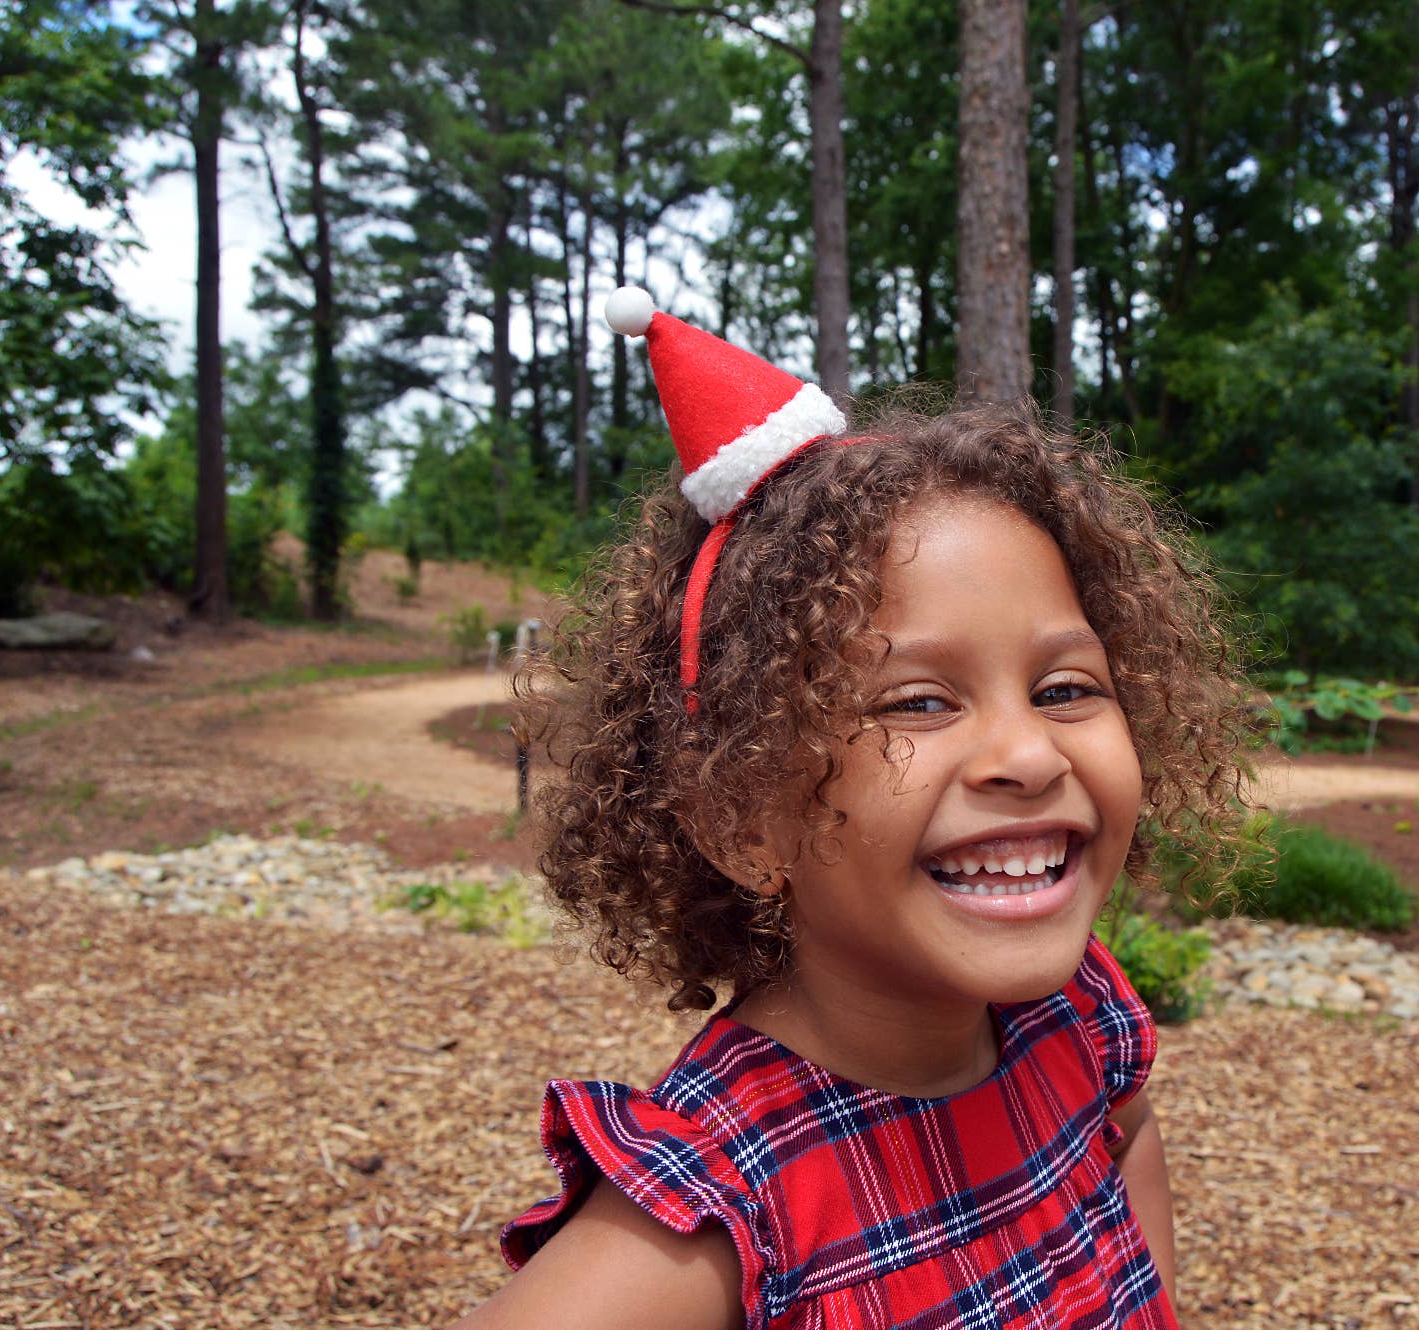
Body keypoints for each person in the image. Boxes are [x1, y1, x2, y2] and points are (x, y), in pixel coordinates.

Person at [454, 288, 1242, 1330]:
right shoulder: (721, 1214)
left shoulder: (1074, 1019)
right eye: (917, 701)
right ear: (742, 814)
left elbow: (1126, 1132)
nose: (1024, 751)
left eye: (1064, 689)